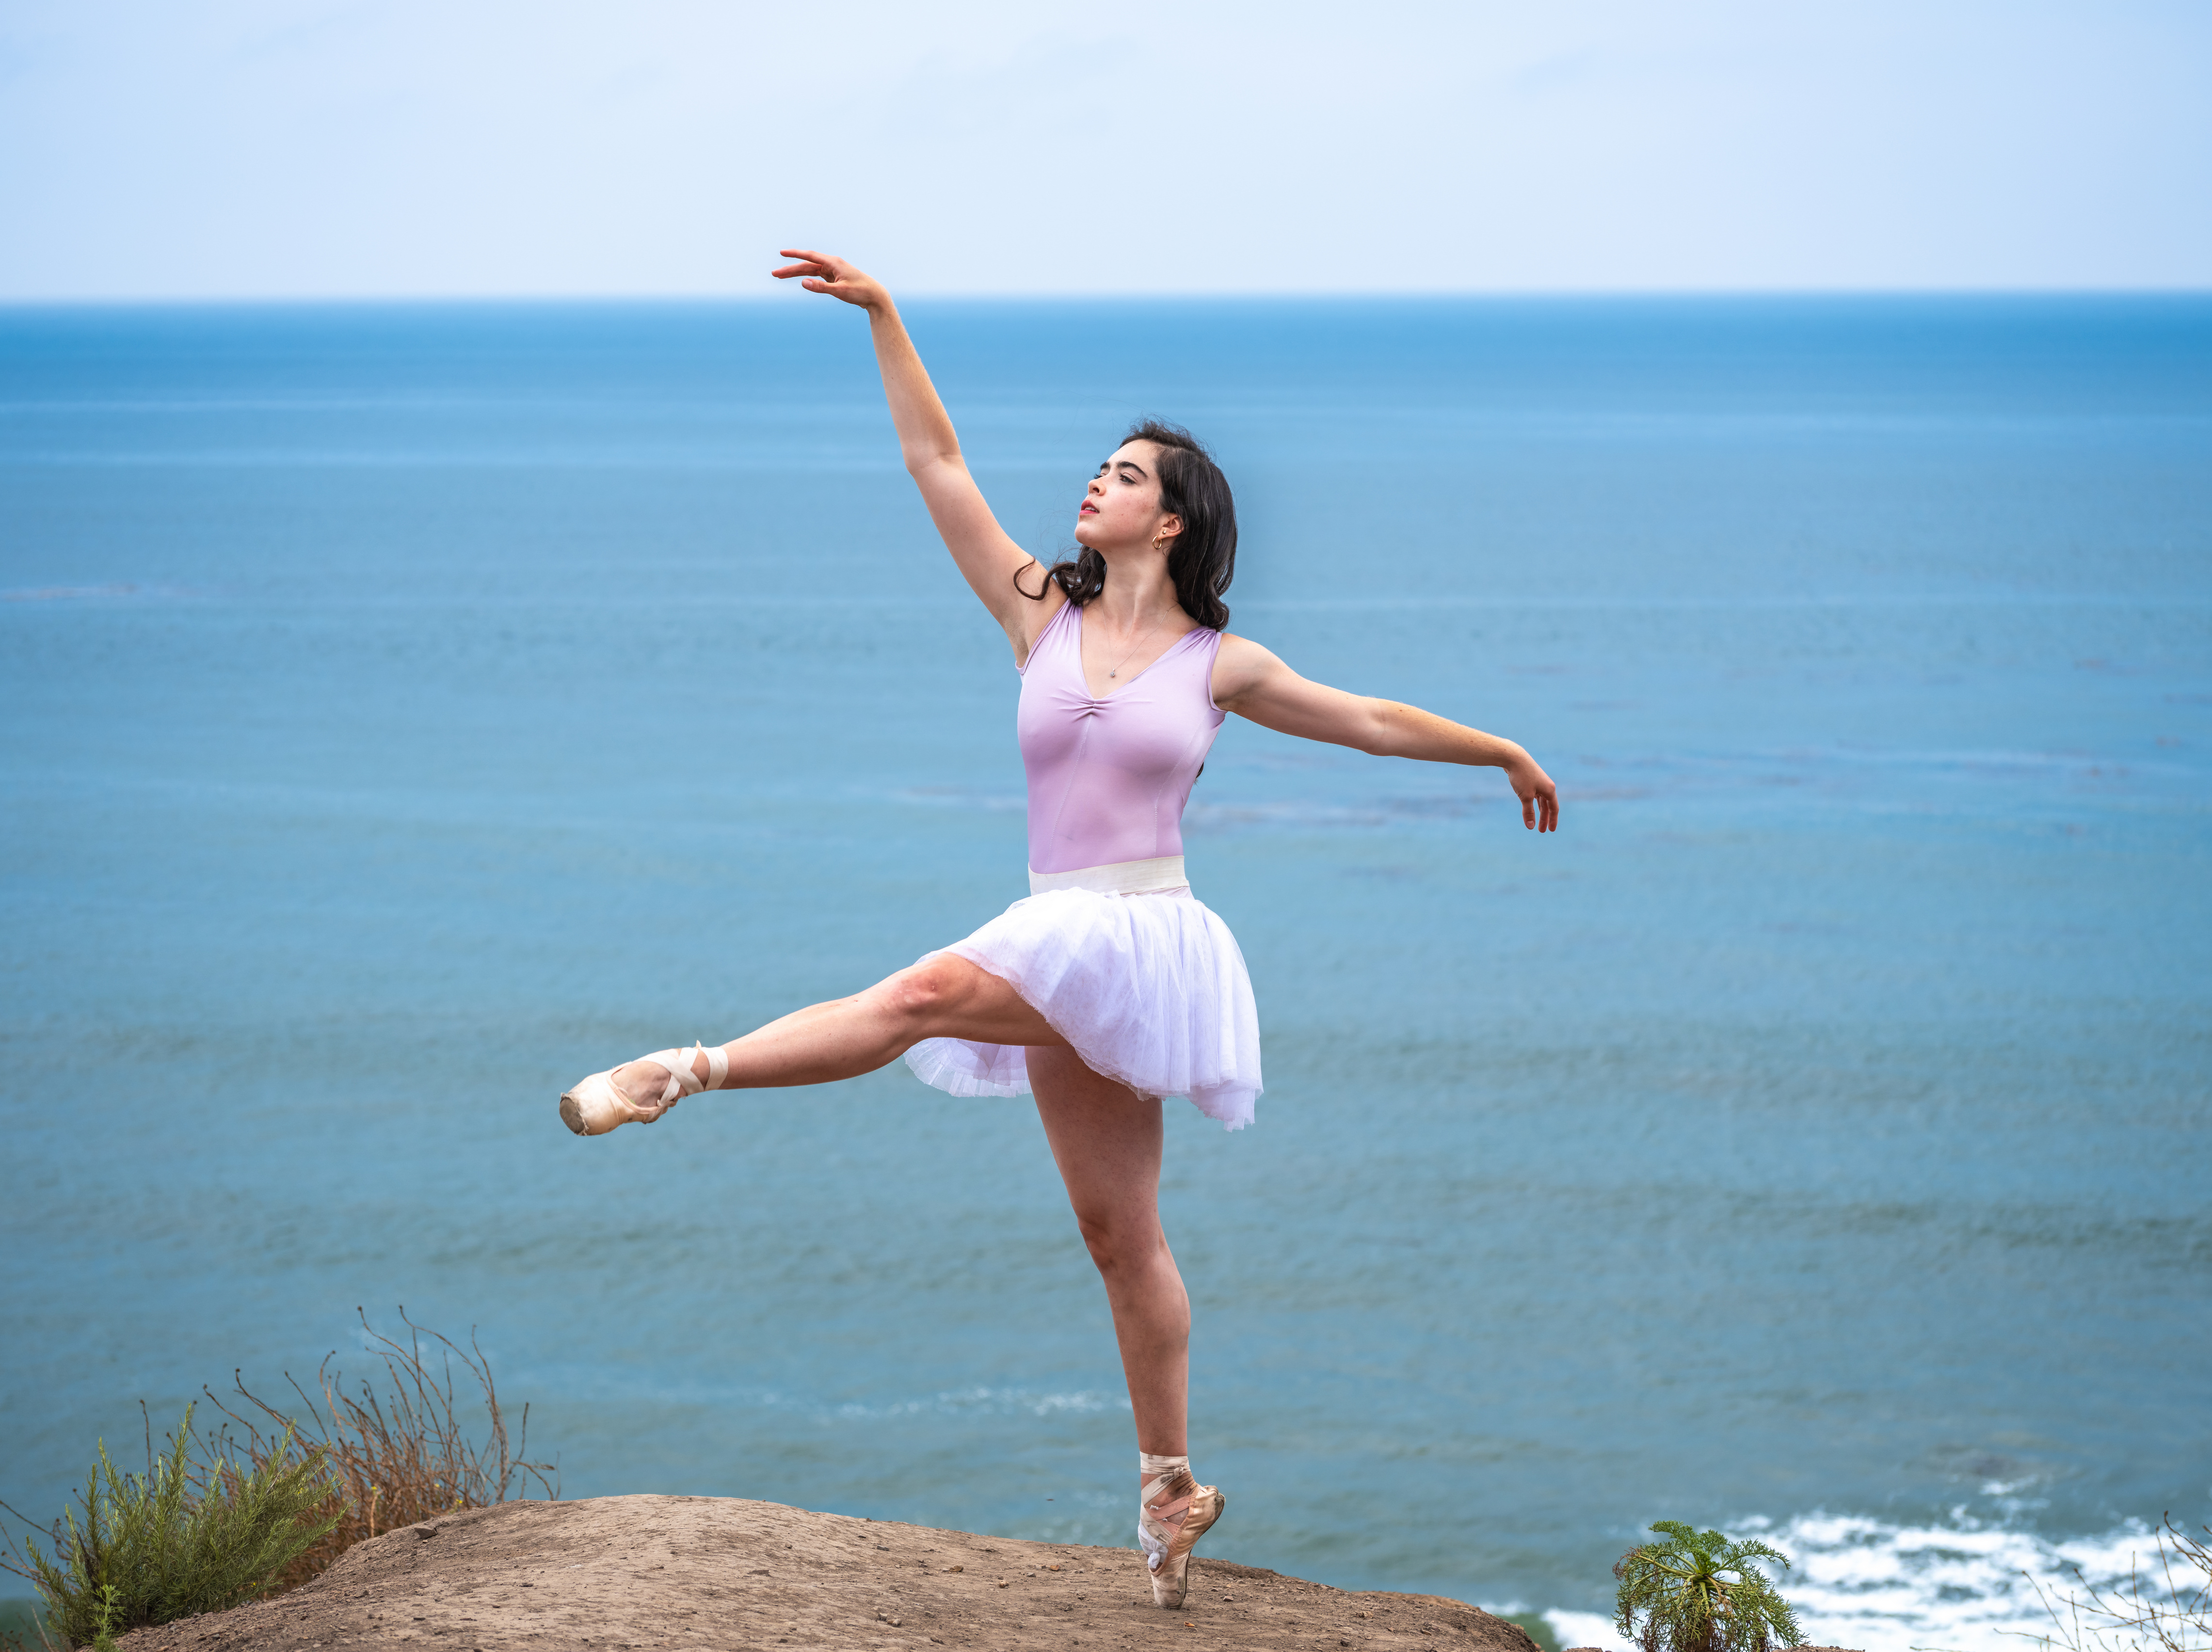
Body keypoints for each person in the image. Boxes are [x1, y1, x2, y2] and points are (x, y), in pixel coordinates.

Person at [558, 249, 1561, 1609]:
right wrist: (884, 318)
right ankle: (1168, 1486)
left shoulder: (1223, 664)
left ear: (1174, 524)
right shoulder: (1038, 611)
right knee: (1114, 1235)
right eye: (1101, 467)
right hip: (1056, 923)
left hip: (1142, 936)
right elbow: (937, 465)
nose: (1096, 482)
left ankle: (676, 1073)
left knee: (928, 1004)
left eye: (1126, 476)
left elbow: (1373, 722)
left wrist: (1498, 747)